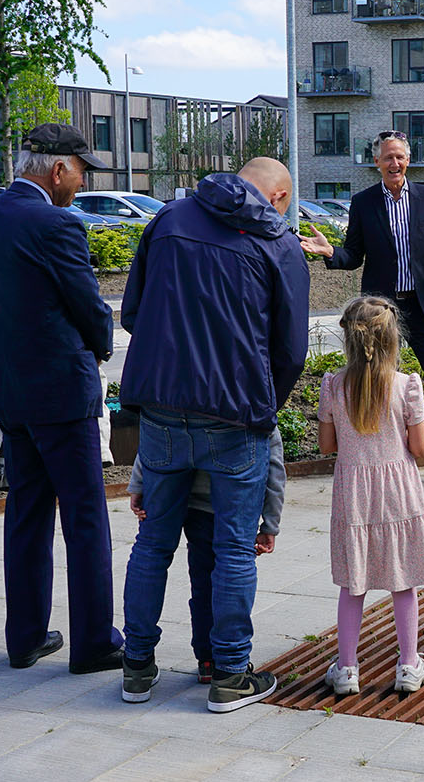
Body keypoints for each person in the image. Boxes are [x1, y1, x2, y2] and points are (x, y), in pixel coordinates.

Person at [117, 156, 309, 713]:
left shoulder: (167, 221)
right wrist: (262, 399)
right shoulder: (277, 242)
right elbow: (291, 346)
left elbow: (133, 312)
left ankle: (137, 667)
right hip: (235, 415)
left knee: (152, 542)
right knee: (233, 550)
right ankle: (229, 675)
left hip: (161, 407)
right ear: (276, 198)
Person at [0, 123, 123, 675]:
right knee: (85, 518)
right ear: (57, 170)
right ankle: (93, 644)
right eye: (80, 173)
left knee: (27, 513)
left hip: (12, 392)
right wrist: (102, 346)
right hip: (61, 393)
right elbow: (88, 306)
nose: (81, 185)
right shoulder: (57, 222)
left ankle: (26, 636)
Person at [298, 130, 424, 485]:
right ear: (376, 162)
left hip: (420, 308)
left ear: (409, 160)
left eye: (401, 157)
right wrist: (330, 252)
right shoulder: (363, 203)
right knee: (373, 383)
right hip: (380, 314)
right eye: (388, 157)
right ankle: (374, 458)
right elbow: (353, 255)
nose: (395, 163)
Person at [317, 295, 424, 695]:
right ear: (392, 339)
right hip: (398, 492)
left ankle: (347, 669)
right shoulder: (407, 386)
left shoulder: (333, 385)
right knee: (403, 583)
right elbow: (419, 449)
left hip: (353, 491)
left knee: (354, 584)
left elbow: (326, 446)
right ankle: (408, 665)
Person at [126, 426, 287, 685]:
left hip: (189, 501)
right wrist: (270, 523)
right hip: (229, 497)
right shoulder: (248, 394)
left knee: (189, 576)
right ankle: (230, 672)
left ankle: (139, 664)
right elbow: (274, 465)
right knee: (231, 562)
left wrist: (139, 481)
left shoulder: (174, 388)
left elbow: (153, 429)